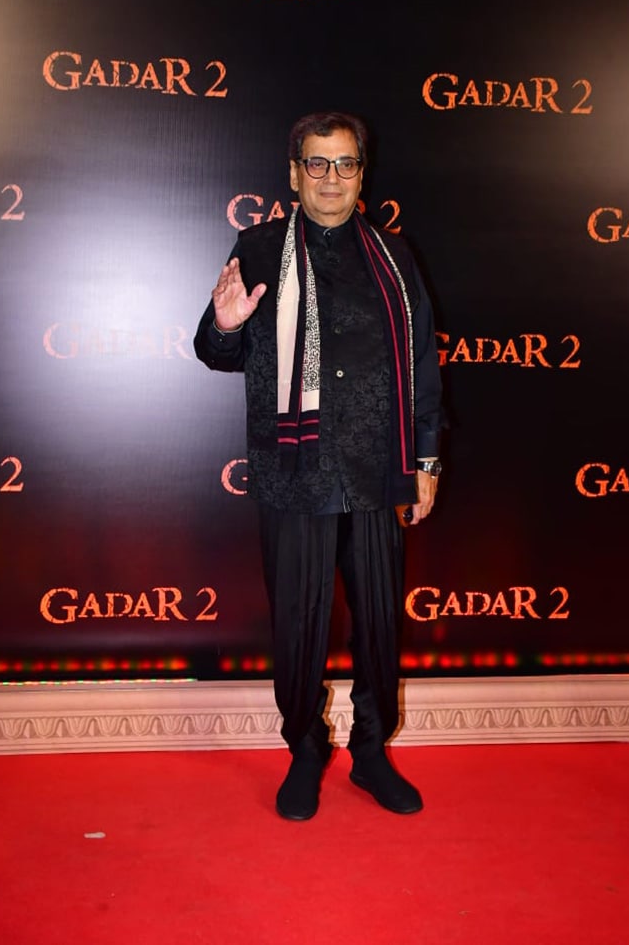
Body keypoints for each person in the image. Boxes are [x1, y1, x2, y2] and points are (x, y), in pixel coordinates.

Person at [194, 112, 444, 820]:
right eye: (317, 163)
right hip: (293, 471)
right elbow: (215, 351)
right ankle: (304, 751)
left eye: (345, 164)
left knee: (379, 624)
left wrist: (426, 458)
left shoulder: (395, 256)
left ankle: (370, 753)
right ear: (294, 173)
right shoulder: (258, 247)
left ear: (362, 174)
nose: (331, 178)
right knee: (298, 624)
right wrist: (226, 325)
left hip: (376, 469)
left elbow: (423, 362)